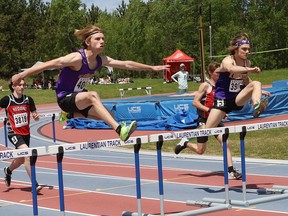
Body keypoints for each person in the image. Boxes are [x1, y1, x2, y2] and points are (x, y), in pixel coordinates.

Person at [12, 24, 170, 142]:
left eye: (103, 39)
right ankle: (120, 130)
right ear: (88, 42)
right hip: (64, 97)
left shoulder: (101, 60)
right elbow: (49, 64)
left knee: (109, 115)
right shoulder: (76, 58)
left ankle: (70, 115)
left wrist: (151, 67)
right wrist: (23, 74)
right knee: (93, 95)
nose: (102, 41)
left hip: (78, 99)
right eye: (98, 39)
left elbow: (127, 64)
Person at [174, 62, 242, 179]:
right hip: (204, 120)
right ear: (210, 73)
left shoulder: (222, 85)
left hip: (216, 120)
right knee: (201, 150)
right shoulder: (205, 86)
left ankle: (231, 171)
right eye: (217, 73)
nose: (219, 75)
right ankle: (185, 143)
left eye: (221, 73)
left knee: (225, 143)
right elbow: (195, 102)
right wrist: (209, 110)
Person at [0, 79, 43, 192]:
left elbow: (35, 114)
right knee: (28, 154)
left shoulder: (28, 100)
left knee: (21, 160)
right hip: (13, 132)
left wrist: (36, 116)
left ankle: (8, 170)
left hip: (26, 133)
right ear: (13, 86)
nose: (22, 87)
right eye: (19, 85)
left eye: (23, 85)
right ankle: (35, 183)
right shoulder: (7, 100)